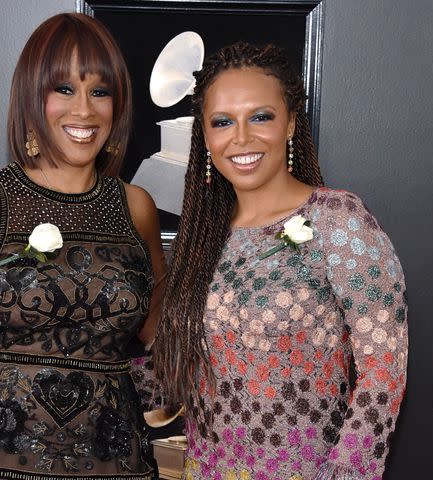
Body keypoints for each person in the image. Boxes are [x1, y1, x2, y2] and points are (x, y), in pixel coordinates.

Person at [0, 13, 166, 480]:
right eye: (63, 89)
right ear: (33, 97)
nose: (84, 110)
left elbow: (159, 335)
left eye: (100, 91)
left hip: (112, 464)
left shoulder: (136, 208)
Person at [153, 42, 408, 480]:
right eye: (222, 122)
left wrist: (345, 473)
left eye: (261, 116)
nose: (241, 138)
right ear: (206, 136)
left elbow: (383, 373)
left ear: (290, 123)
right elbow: (191, 364)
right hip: (208, 469)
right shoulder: (206, 234)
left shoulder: (337, 220)